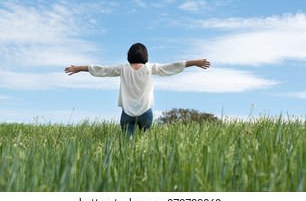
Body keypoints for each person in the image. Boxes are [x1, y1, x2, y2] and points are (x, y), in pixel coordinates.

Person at [64, 43, 210, 135]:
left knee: (128, 147)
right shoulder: (150, 68)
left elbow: (101, 70)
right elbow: (172, 66)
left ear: (129, 56)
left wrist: (79, 68)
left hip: (127, 113)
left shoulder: (122, 69)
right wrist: (194, 62)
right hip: (146, 112)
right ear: (145, 55)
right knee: (145, 143)